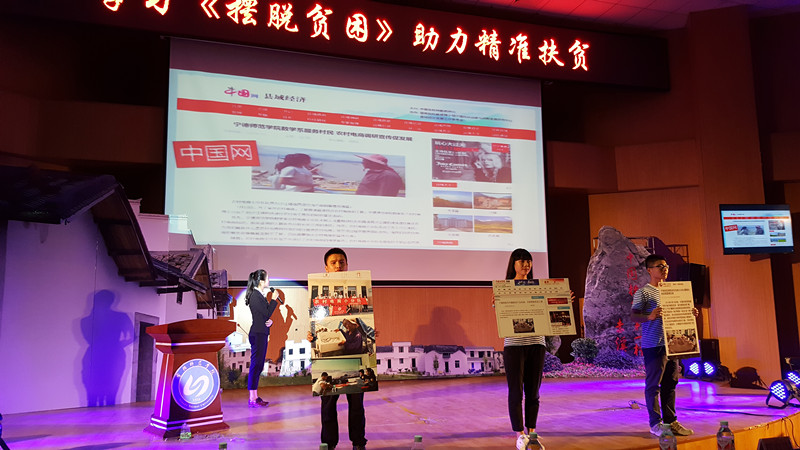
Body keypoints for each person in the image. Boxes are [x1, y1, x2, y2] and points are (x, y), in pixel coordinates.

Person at [308, 248, 369, 450]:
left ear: (347, 265)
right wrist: (312, 335)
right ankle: (328, 444)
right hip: (330, 358)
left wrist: (370, 332)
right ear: (326, 268)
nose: (338, 266)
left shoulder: (356, 294)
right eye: (333, 263)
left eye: (341, 262)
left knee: (357, 405)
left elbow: (364, 324)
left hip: (353, 357)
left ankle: (358, 443)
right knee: (327, 405)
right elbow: (317, 325)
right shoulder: (319, 297)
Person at [631, 254, 697, 437]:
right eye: (660, 266)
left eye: (666, 266)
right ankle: (655, 424)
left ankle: (671, 421)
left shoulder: (673, 291)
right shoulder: (644, 292)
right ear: (649, 270)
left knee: (671, 383)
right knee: (654, 385)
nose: (664, 269)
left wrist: (689, 312)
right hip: (654, 345)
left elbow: (678, 313)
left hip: (672, 344)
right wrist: (649, 316)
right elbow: (634, 316)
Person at [494, 248, 547, 450]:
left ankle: (532, 432)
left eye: (528, 261)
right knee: (516, 392)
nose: (526, 265)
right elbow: (503, 317)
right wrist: (497, 304)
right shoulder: (504, 289)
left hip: (537, 343)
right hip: (514, 345)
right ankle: (519, 434)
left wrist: (562, 300)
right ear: (513, 264)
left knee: (533, 392)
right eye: (522, 261)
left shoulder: (539, 287)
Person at [245, 269, 283, 408]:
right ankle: (252, 398)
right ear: (261, 281)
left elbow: (264, 315)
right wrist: (273, 299)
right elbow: (267, 312)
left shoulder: (259, 295)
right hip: (257, 334)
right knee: (256, 365)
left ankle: (255, 396)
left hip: (261, 332)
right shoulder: (255, 295)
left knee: (259, 365)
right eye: (267, 278)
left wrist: (270, 321)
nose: (269, 281)